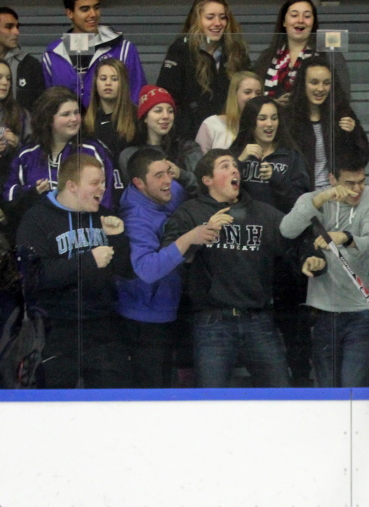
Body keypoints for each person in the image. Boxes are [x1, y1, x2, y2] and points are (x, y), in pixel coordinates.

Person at [161, 149, 290, 388]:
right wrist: (198, 235)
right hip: (212, 322)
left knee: (281, 394)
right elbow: (171, 259)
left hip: (258, 319)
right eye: (224, 166)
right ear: (207, 180)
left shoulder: (263, 213)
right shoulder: (190, 212)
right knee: (210, 402)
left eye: (235, 166)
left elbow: (292, 243)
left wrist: (312, 259)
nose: (234, 170)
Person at [14, 154, 132, 388]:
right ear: (71, 185)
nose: (103, 188)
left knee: (111, 405)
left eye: (103, 182)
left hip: (102, 327)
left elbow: (128, 272)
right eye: (95, 182)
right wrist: (88, 261)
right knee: (54, 408)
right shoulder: (36, 219)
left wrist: (118, 239)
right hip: (54, 331)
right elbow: (30, 277)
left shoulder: (103, 216)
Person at [117, 147, 221, 388]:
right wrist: (188, 239)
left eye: (168, 172)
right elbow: (146, 269)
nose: (168, 181)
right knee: (153, 388)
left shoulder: (171, 189)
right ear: (139, 183)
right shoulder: (135, 217)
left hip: (175, 305)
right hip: (144, 318)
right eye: (158, 176)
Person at [280, 154, 369, 388]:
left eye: (362, 181)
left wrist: (345, 238)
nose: (357, 189)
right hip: (323, 310)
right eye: (349, 183)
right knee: (327, 392)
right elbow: (287, 230)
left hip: (363, 310)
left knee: (354, 388)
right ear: (332, 179)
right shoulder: (315, 199)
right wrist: (322, 198)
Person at [232, 95, 312, 385]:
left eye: (274, 118)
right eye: (262, 118)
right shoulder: (234, 154)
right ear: (250, 122)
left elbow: (304, 205)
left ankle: (301, 386)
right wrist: (238, 163)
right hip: (245, 256)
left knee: (294, 331)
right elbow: (217, 195)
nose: (269, 124)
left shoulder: (291, 157)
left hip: (285, 257)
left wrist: (277, 181)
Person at [4, 86, 114, 230]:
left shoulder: (92, 151)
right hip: (38, 234)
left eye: (76, 112)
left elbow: (107, 198)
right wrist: (33, 192)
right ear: (49, 118)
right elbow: (9, 198)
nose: (74, 119)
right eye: (66, 114)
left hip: (84, 234)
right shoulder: (27, 155)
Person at [157, 0, 251, 142]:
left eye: (223, 17)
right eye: (210, 17)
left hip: (230, 133)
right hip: (191, 137)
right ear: (197, 19)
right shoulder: (181, 49)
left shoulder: (236, 50)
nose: (217, 23)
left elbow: (248, 92)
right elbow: (168, 96)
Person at [42, 0, 146, 106]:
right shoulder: (52, 56)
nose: (93, 14)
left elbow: (137, 97)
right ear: (69, 13)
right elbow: (49, 106)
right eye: (85, 9)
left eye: (96, 7)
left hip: (114, 125)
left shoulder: (124, 49)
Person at [286, 56, 369, 193]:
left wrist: (353, 134)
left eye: (326, 83)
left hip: (339, 193)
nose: (320, 89)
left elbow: (361, 159)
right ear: (303, 84)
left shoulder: (343, 113)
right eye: (314, 82)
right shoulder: (288, 117)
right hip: (301, 196)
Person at [253, 0, 350, 107]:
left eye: (307, 16)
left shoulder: (328, 54)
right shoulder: (267, 57)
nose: (300, 20)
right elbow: (255, 99)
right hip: (273, 122)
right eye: (294, 15)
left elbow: (343, 96)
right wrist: (274, 103)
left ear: (313, 23)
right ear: (284, 22)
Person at [118, 85, 201, 196]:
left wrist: (181, 174)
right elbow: (131, 196)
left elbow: (205, 186)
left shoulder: (188, 148)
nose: (166, 116)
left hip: (188, 210)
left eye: (170, 111)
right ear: (145, 117)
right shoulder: (128, 155)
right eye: (158, 111)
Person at [82, 58, 136, 167]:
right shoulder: (84, 117)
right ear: (96, 82)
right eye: (103, 78)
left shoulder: (136, 117)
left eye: (114, 79)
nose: (108, 83)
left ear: (123, 83)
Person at [194, 71, 261, 154]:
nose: (253, 97)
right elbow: (197, 162)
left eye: (258, 93)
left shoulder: (263, 126)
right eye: (247, 92)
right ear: (234, 94)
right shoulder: (212, 124)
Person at [0, 7, 45, 110]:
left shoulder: (31, 65)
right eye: (9, 27)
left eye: (17, 27)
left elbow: (40, 109)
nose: (16, 32)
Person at [0, 59, 31, 200]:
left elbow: (34, 154)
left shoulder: (21, 114)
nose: (5, 82)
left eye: (8, 78)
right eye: (0, 77)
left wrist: (17, 144)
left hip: (10, 187)